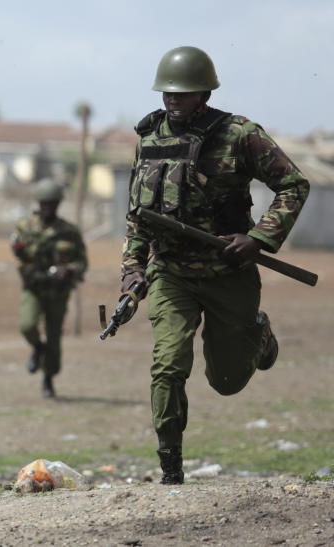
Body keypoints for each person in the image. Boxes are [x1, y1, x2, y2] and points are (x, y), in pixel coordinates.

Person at [121, 46, 309, 484]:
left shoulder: (239, 134)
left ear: (204, 92)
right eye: (168, 93)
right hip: (171, 275)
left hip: (229, 275)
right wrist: (132, 270)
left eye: (183, 94)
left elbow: (293, 185)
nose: (173, 101)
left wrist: (259, 237)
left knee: (226, 381)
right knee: (167, 366)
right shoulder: (149, 140)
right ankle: (171, 466)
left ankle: (258, 334)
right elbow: (138, 218)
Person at [10, 179, 87, 399]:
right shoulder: (25, 228)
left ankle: (48, 378)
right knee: (27, 325)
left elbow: (82, 262)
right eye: (45, 203)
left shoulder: (69, 232)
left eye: (52, 203)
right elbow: (18, 255)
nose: (48, 208)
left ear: (58, 204)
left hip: (58, 292)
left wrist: (69, 270)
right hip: (33, 288)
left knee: (54, 339)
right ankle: (37, 347)